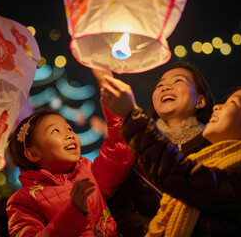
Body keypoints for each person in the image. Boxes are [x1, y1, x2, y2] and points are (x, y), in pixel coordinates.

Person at [99, 76, 241, 236]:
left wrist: (132, 116)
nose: (218, 106)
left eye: (232, 103)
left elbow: (180, 176)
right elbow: (121, 208)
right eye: (160, 83)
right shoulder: (208, 162)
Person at [91, 61, 215, 236]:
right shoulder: (136, 147)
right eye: (160, 85)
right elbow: (120, 210)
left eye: (178, 81)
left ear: (201, 100)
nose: (165, 88)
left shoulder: (215, 146)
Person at [6, 104, 134, 236]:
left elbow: (119, 152)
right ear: (33, 154)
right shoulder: (24, 200)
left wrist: (113, 108)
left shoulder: (87, 170)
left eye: (69, 128)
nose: (70, 135)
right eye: (55, 131)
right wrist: (74, 211)